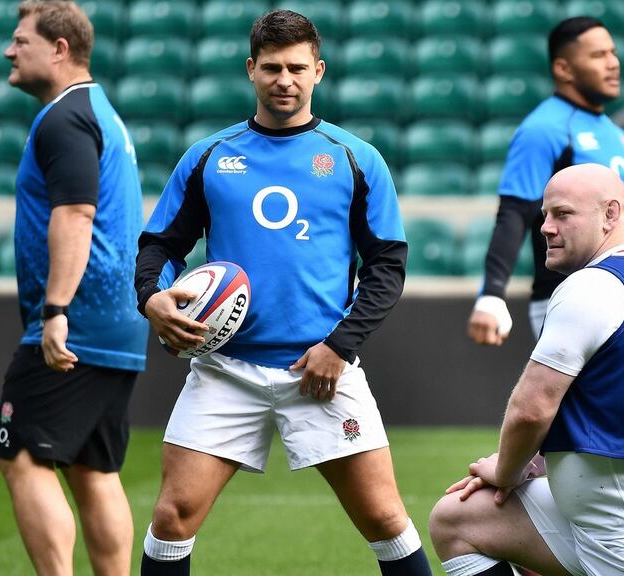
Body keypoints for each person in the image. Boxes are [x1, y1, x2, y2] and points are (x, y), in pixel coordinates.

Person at [133, 9, 431, 576]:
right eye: (271, 68)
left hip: (321, 371)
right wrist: (153, 298)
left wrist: (340, 347)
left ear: (318, 70)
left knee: (386, 518)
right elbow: (160, 246)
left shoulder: (355, 158)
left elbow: (387, 266)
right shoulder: (208, 156)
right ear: (251, 70)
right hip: (225, 370)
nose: (284, 80)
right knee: (173, 516)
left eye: (297, 68)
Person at [430, 164, 624, 576]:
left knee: (467, 512)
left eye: (562, 214)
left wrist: (506, 471)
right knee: (458, 519)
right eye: (544, 215)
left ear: (610, 215)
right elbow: (606, 407)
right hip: (621, 528)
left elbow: (532, 408)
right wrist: (536, 463)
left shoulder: (592, 286)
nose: (545, 227)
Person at [0, 1, 148, 575]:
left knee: (23, 458)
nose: (10, 51)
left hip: (72, 321)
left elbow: (77, 214)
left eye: (20, 40)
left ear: (59, 49)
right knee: (94, 470)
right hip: (117, 324)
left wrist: (54, 310)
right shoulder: (101, 111)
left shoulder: (65, 117)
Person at [467, 16, 624, 347]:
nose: (613, 63)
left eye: (613, 53)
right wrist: (492, 295)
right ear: (564, 69)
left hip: (623, 293)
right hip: (568, 297)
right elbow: (514, 213)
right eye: (598, 55)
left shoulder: (620, 138)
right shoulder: (543, 129)